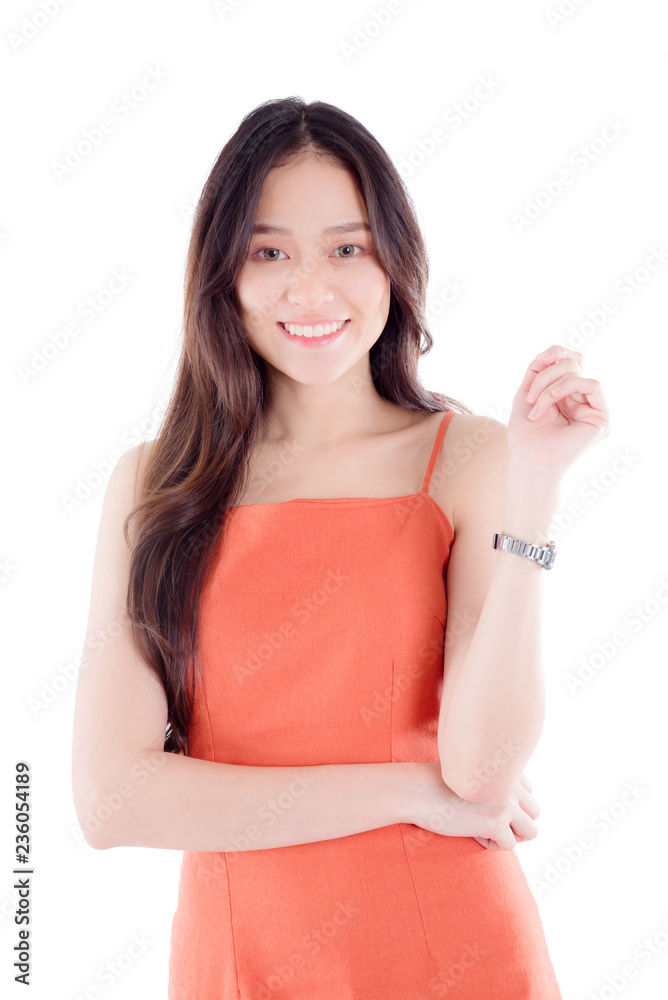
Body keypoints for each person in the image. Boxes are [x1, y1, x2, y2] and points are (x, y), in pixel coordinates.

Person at [71, 97, 609, 998]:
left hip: (455, 949)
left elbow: (480, 770)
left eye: (348, 248)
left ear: (394, 263)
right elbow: (111, 801)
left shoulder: (467, 458)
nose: (310, 288)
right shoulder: (153, 484)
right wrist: (407, 792)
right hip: (241, 964)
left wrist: (537, 488)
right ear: (223, 273)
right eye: (270, 251)